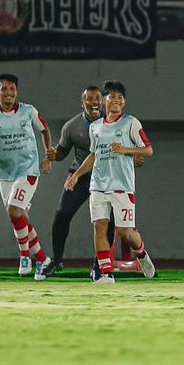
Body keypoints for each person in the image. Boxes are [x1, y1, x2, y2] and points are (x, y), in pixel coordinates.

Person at [65, 81, 156, 284]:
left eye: (120, 98)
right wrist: (77, 175)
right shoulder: (96, 127)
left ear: (123, 103)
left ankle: (141, 253)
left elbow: (148, 150)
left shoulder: (131, 123)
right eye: (112, 96)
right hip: (98, 185)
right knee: (100, 226)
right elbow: (93, 155)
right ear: (105, 101)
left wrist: (126, 150)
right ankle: (105, 274)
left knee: (125, 232)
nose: (116, 100)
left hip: (122, 186)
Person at [0, 73, 52, 279]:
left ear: (16, 92)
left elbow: (44, 129)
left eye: (12, 89)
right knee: (19, 216)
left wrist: (47, 156)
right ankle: (44, 259)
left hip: (28, 170)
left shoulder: (28, 111)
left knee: (14, 210)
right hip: (5, 174)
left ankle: (25, 257)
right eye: (4, 89)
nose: (9, 93)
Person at [43, 86, 106, 275]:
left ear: (102, 101)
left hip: (105, 179)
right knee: (62, 214)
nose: (94, 102)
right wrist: (55, 155)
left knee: (106, 222)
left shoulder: (111, 122)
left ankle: (100, 264)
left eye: (97, 98)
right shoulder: (72, 126)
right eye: (89, 99)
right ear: (82, 102)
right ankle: (57, 260)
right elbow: (62, 153)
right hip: (80, 176)